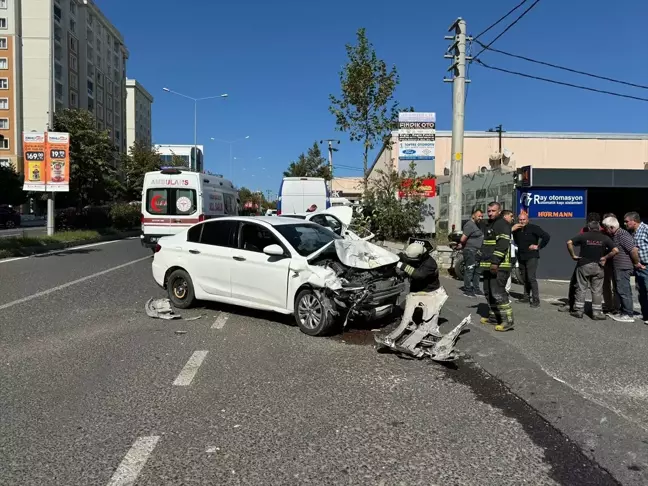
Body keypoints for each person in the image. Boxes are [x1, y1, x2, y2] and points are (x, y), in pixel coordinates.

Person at [566, 221, 618, 319]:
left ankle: (579, 311)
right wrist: (605, 257)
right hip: (598, 265)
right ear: (599, 228)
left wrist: (573, 255)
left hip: (584, 264)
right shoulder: (604, 237)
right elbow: (616, 250)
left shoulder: (583, 235)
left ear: (589, 228)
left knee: (581, 287)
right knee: (597, 290)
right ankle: (596, 313)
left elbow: (569, 242)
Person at [478, 202, 514, 331]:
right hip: (489, 265)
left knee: (498, 293)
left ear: (499, 211)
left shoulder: (502, 224)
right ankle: (494, 316)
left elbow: (502, 244)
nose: (490, 213)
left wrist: (495, 262)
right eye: (489, 211)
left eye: (493, 211)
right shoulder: (490, 224)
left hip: (499, 265)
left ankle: (507, 320)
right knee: (488, 292)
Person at [559, 212, 602, 313]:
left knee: (579, 285)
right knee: (592, 287)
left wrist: (573, 255)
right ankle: (575, 305)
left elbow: (571, 242)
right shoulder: (588, 231)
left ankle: (575, 306)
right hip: (595, 262)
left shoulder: (597, 231)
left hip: (586, 262)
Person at [602, 216, 640, 322]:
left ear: (611, 227)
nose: (605, 230)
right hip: (619, 267)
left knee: (624, 291)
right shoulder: (616, 234)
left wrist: (636, 263)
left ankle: (628, 314)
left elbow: (633, 250)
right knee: (621, 290)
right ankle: (624, 311)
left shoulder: (622, 234)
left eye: (606, 228)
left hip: (623, 267)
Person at [512, 212, 550, 308]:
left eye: (524, 219)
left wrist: (538, 246)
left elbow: (546, 236)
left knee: (531, 277)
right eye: (520, 219)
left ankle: (536, 300)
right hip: (521, 256)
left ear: (527, 220)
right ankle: (526, 297)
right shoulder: (516, 230)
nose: (522, 221)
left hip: (532, 256)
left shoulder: (534, 228)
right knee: (524, 278)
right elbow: (516, 241)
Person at [623, 212, 648, 324]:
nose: (625, 223)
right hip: (638, 266)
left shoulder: (646, 229)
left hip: (646, 265)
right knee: (641, 291)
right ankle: (645, 315)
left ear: (634, 221)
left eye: (627, 221)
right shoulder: (632, 232)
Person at [458, 209, 484, 297]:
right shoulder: (469, 225)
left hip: (477, 252)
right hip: (470, 251)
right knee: (470, 270)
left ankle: (476, 289)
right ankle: (467, 289)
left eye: (481, 216)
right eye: (479, 216)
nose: (480, 218)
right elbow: (462, 239)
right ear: (473, 216)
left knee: (477, 271)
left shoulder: (477, 225)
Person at [601, 213, 619, 313]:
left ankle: (616, 306)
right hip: (606, 262)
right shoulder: (602, 233)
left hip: (617, 262)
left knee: (617, 285)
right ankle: (608, 306)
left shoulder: (619, 233)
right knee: (606, 285)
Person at [501, 210, 516, 295]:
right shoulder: (502, 226)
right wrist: (511, 229)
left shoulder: (509, 226)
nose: (513, 218)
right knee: (503, 273)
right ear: (505, 216)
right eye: (511, 216)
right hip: (503, 254)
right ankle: (503, 292)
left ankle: (506, 291)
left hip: (511, 253)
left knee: (508, 273)